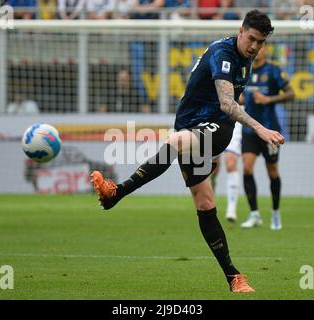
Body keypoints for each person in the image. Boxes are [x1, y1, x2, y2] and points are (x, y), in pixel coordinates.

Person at [91, 10, 284, 293]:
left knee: (176, 141)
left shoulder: (244, 56)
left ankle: (117, 192)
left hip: (215, 128)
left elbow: (229, 106)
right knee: (205, 204)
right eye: (252, 39)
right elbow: (228, 102)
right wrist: (260, 128)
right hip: (194, 126)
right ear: (241, 31)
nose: (255, 46)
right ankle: (234, 277)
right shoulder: (224, 53)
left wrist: (219, 148)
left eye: (261, 42)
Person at [238, 46, 295, 230]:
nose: (257, 50)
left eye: (261, 48)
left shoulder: (274, 71)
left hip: (270, 130)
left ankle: (275, 212)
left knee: (272, 171)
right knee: (246, 168)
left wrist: (268, 99)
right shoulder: (244, 69)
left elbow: (291, 93)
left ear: (265, 52)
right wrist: (239, 99)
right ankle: (254, 214)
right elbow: (240, 95)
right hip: (250, 131)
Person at [210, 122, 242, 223]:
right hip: (215, 119)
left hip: (235, 119)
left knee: (231, 163)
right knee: (212, 169)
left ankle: (231, 210)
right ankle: (210, 203)